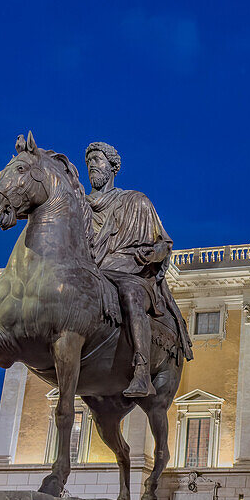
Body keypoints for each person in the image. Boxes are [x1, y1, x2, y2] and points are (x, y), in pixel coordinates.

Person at [84, 141, 192, 397]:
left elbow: (163, 243)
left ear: (112, 167)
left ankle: (142, 370)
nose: (91, 166)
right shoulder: (81, 205)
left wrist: (153, 253)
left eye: (97, 160)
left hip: (129, 271)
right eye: (88, 162)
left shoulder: (136, 201)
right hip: (93, 268)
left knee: (132, 297)